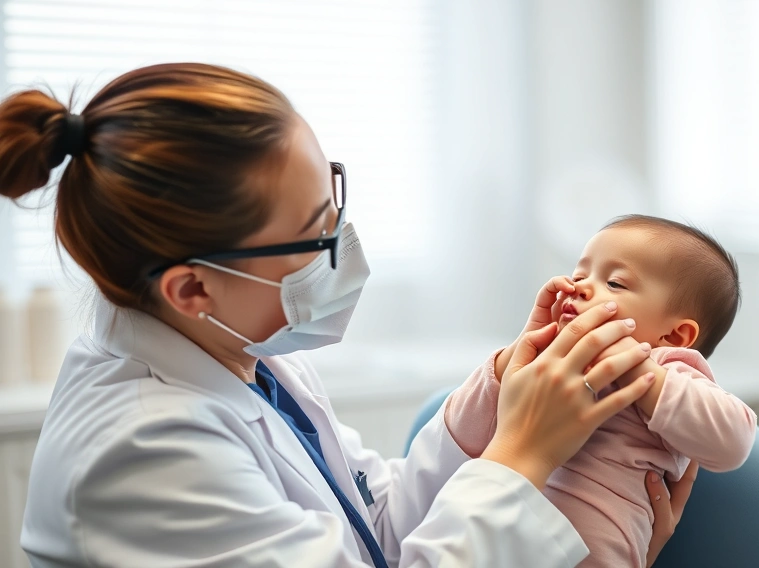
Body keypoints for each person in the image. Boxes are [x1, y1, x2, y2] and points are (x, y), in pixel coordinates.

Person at [0, 63, 694, 567]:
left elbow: (371, 530)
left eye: (334, 204)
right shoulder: (140, 455)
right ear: (192, 289)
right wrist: (523, 457)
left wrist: (495, 396)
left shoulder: (247, 351)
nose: (342, 244)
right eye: (315, 233)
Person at [446, 215, 757, 566]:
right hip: (496, 547)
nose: (579, 287)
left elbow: (735, 441)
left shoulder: (666, 365)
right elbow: (462, 439)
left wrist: (639, 371)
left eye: (614, 283)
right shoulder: (549, 364)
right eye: (579, 276)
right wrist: (512, 361)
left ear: (673, 336)